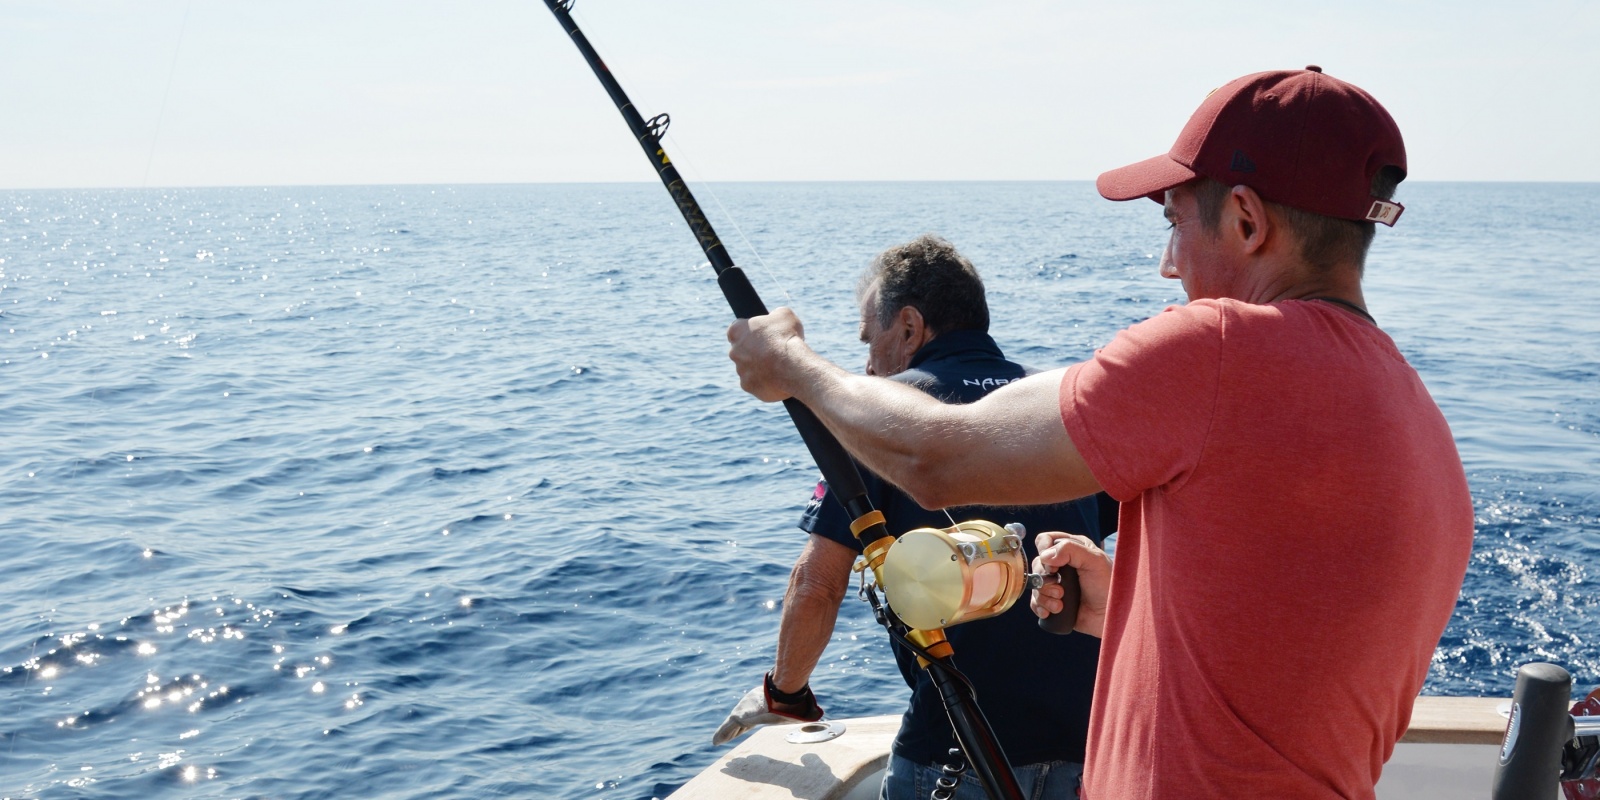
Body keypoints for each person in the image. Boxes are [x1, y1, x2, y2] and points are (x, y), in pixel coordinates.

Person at [725, 67, 1475, 799]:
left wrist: (794, 367)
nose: (1167, 264)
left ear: (1246, 220)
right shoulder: (1412, 411)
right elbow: (1292, 654)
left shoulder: (1214, 349)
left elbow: (933, 457)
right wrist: (1127, 606)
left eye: (1174, 221)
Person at [712, 234, 1113, 799]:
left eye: (868, 339)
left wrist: (785, 692)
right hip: (1093, 746)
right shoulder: (1058, 408)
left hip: (956, 753)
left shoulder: (884, 426)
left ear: (907, 327)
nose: (867, 364)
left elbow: (818, 584)